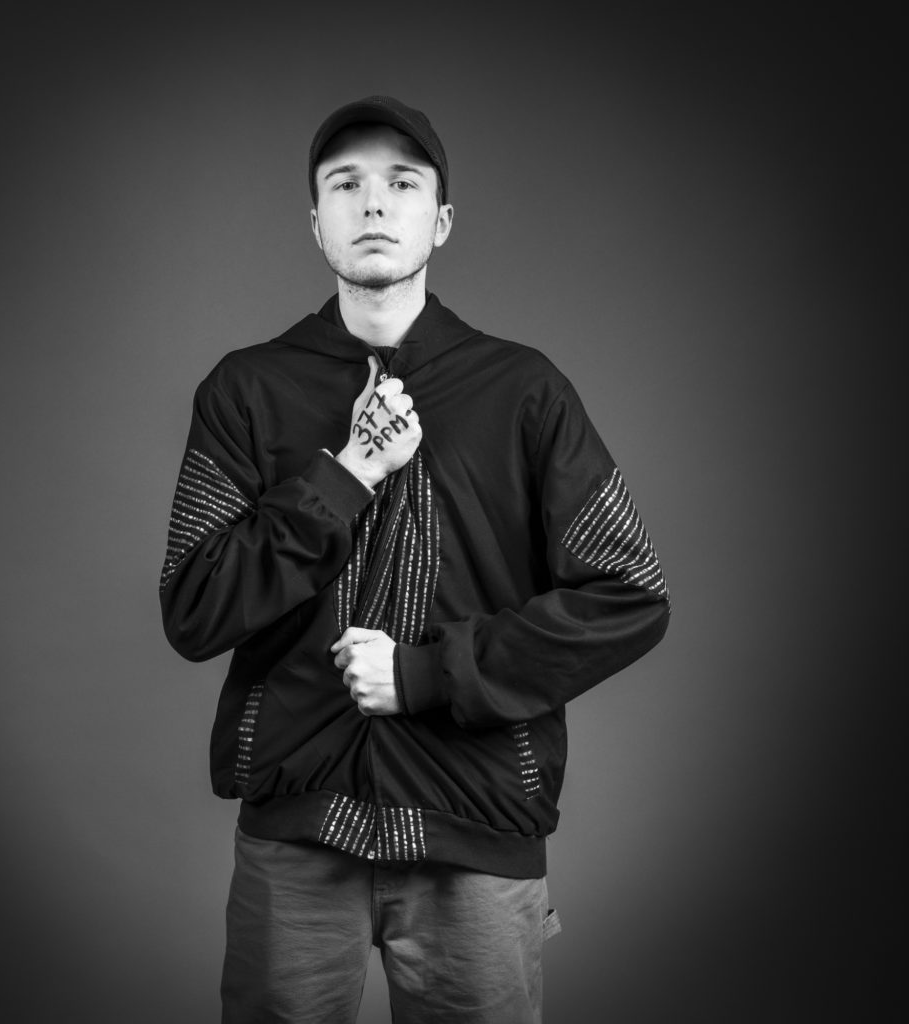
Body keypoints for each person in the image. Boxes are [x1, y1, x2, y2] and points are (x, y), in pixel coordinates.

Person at [160, 95, 670, 1024]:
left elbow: (630, 594)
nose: (373, 204)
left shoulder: (524, 390)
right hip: (294, 844)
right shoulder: (245, 389)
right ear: (316, 223)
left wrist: (428, 676)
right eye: (345, 185)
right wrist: (346, 474)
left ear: (440, 220)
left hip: (475, 838)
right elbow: (194, 609)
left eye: (402, 183)